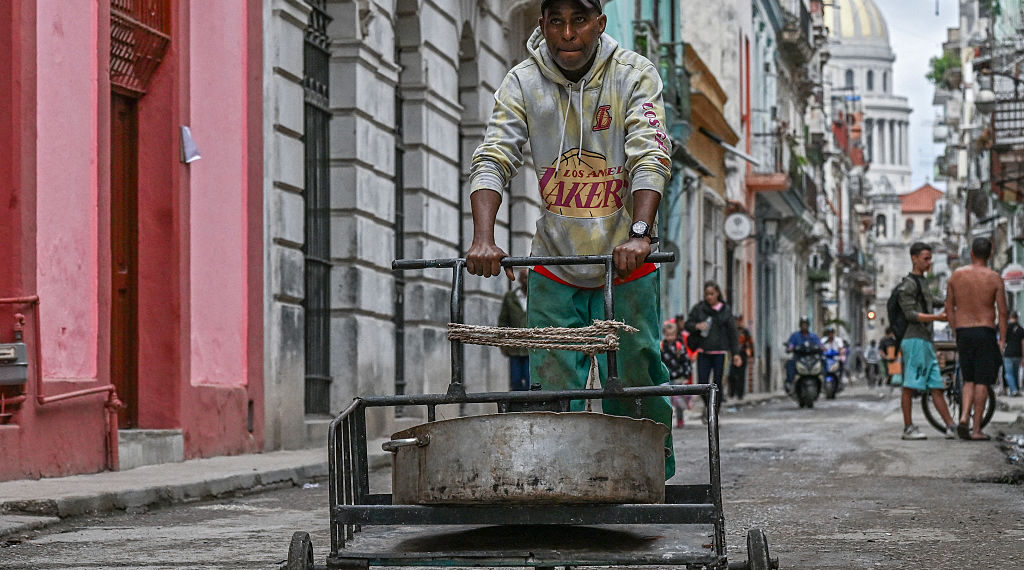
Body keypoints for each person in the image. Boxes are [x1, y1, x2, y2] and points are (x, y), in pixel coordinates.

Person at [465, 0, 676, 478]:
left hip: (624, 259)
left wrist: (640, 233)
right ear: (542, 25)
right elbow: (494, 155)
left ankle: (648, 474)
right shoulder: (522, 81)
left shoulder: (633, 74)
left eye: (579, 21)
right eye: (556, 22)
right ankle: (561, 476)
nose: (568, 34)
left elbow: (651, 152)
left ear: (598, 24)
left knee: (638, 370)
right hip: (554, 260)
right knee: (554, 379)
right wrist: (484, 238)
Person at [945, 237, 1008, 440]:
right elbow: (1003, 312)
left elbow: (949, 307)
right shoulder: (995, 278)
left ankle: (964, 416)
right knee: (982, 381)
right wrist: (1002, 340)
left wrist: (956, 331)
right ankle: (976, 429)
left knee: (968, 379)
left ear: (971, 253)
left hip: (964, 331)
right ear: (990, 255)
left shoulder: (956, 276)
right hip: (985, 331)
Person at [897, 242, 955, 440]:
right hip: (914, 340)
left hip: (926, 340)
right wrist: (936, 318)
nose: (929, 263)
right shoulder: (908, 285)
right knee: (910, 385)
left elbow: (933, 302)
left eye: (930, 259)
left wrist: (953, 301)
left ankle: (950, 426)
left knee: (936, 385)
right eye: (926, 259)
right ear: (914, 258)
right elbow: (910, 314)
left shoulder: (922, 282)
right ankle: (908, 427)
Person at [683, 281, 741, 421]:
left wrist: (736, 353)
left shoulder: (725, 310)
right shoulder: (699, 309)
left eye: (712, 294)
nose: (709, 297)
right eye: (707, 294)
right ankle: (708, 405)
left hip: (721, 353)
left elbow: (733, 333)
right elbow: (687, 324)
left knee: (717, 384)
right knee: (702, 383)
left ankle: (714, 413)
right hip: (703, 352)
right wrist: (697, 326)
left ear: (717, 294)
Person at [498, 268, 531, 391]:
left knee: (531, 380)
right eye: (524, 277)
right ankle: (517, 406)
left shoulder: (537, 298)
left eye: (528, 277)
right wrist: (502, 343)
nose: (526, 280)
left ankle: (531, 407)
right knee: (515, 380)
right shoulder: (510, 297)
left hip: (532, 348)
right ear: (520, 279)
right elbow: (503, 320)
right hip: (514, 347)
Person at [660, 320, 690, 428]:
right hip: (666, 378)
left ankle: (680, 419)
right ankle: (666, 421)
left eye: (672, 335)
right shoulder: (662, 346)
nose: (670, 337)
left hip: (678, 377)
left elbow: (685, 361)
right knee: (666, 401)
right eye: (668, 335)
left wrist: (686, 376)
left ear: (676, 335)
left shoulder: (679, 346)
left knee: (678, 401)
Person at [784, 317, 822, 393]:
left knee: (822, 361)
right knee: (790, 363)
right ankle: (789, 382)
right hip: (799, 358)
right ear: (800, 325)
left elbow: (819, 344)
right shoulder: (795, 336)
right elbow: (791, 344)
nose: (804, 326)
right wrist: (790, 348)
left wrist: (822, 348)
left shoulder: (813, 336)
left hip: (812, 358)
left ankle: (822, 381)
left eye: (806, 324)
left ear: (808, 325)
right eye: (803, 324)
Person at [728, 315, 754, 400]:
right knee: (732, 375)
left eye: (738, 321)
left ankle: (740, 394)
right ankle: (731, 393)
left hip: (742, 354)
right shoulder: (731, 331)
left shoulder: (744, 331)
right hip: (733, 354)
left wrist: (751, 354)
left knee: (741, 375)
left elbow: (750, 342)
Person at [1002, 311, 1023, 398]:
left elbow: (1003, 341)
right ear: (1017, 318)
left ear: (1010, 317)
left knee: (1008, 374)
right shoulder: (1021, 329)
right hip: (1018, 354)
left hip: (1008, 353)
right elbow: (1023, 343)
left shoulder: (1006, 328)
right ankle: (1016, 390)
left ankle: (1013, 390)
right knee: (1015, 373)